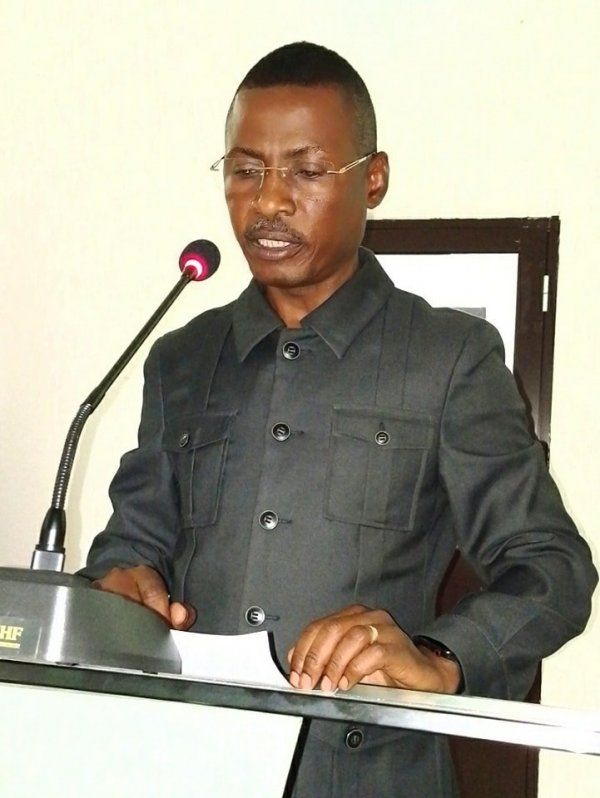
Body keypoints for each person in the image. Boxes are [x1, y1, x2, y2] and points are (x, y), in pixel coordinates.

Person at [81, 42, 597, 797]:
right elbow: (132, 543)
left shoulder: (448, 357)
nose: (269, 202)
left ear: (373, 179)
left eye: (307, 171)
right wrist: (120, 584)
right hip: (190, 765)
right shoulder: (182, 360)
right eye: (245, 170)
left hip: (372, 775)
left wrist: (441, 656)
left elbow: (553, 567)